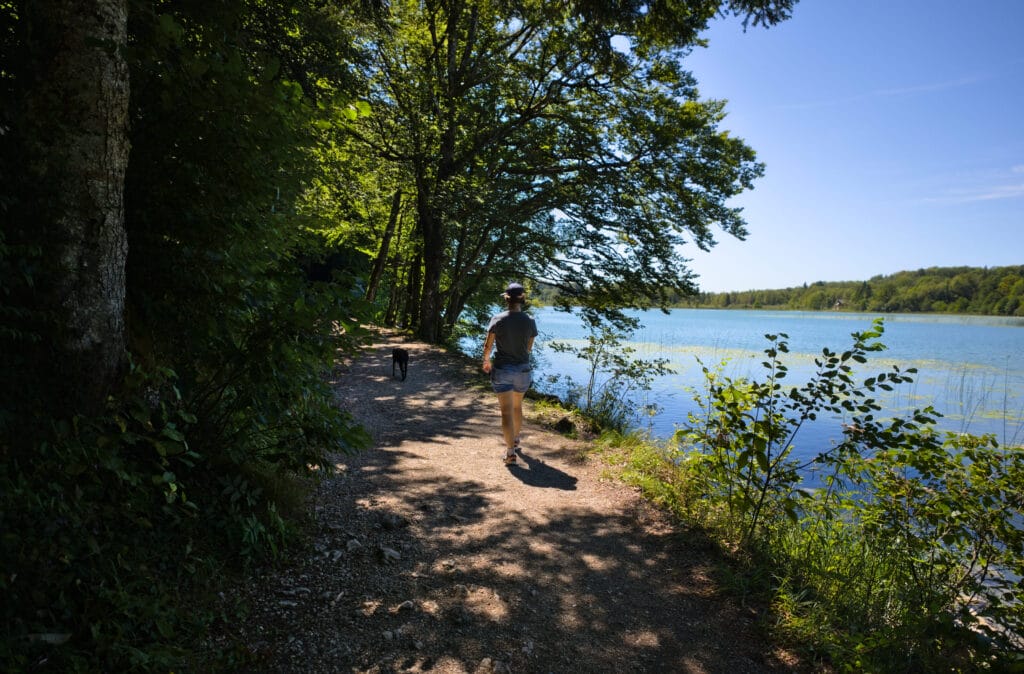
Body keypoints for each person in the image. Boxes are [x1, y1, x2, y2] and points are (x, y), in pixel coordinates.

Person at [482, 282, 537, 465]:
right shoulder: (529, 321)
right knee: (517, 408)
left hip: (503, 369)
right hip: (522, 370)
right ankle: (515, 439)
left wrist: (486, 361)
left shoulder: (497, 319)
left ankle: (510, 452)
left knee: (506, 411)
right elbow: (528, 348)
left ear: (506, 298)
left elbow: (488, 345)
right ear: (522, 298)